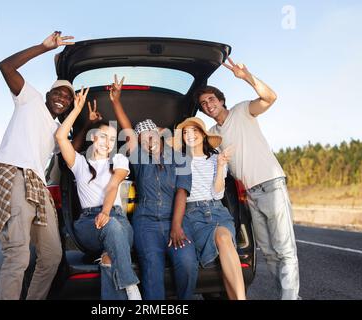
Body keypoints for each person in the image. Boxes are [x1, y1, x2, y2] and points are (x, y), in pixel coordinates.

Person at [0, 31, 76, 300]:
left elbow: (72, 149)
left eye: (67, 97)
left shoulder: (57, 130)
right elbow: (5, 66)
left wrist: (87, 120)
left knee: (52, 256)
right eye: (58, 92)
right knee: (19, 254)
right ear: (48, 93)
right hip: (13, 171)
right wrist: (44, 47)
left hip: (37, 182)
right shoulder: (30, 99)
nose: (62, 98)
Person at [196, 57, 300, 300]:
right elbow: (191, 147)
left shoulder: (243, 111)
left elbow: (270, 98)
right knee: (270, 254)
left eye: (212, 99)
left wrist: (247, 77)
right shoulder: (212, 134)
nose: (209, 104)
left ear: (221, 100)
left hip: (271, 185)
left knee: (284, 250)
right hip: (250, 195)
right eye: (203, 103)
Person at [109, 75, 198, 300]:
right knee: (152, 273)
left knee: (187, 264)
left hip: (175, 218)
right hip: (146, 223)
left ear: (158, 134)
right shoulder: (139, 158)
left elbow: (181, 192)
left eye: (150, 134)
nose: (148, 139)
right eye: (142, 137)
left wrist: (176, 226)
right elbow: (127, 130)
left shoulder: (180, 157)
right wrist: (116, 101)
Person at [55, 89, 142, 300]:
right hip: (88, 224)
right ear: (93, 137)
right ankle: (131, 284)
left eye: (112, 139)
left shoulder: (119, 160)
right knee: (109, 225)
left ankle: (123, 284)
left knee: (108, 259)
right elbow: (60, 137)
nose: (108, 142)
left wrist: (106, 212)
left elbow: (113, 186)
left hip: (118, 221)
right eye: (103, 136)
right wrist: (77, 110)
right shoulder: (79, 163)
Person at [171, 117, 246, 300]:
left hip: (216, 210)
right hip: (192, 214)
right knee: (223, 244)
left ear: (203, 135)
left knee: (223, 237)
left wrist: (220, 165)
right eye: (186, 132)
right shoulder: (177, 160)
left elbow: (218, 194)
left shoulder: (215, 158)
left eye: (194, 131)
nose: (190, 135)